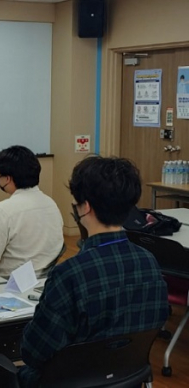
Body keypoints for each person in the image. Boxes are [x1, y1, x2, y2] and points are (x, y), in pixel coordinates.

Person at [16, 156, 169, 387]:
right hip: (127, 378)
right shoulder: (149, 262)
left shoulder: (69, 274)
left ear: (85, 207)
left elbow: (35, 353)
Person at [0, 145, 63, 277]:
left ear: (8, 178)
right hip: (45, 281)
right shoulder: (51, 204)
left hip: (6, 284)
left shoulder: (3, 210)